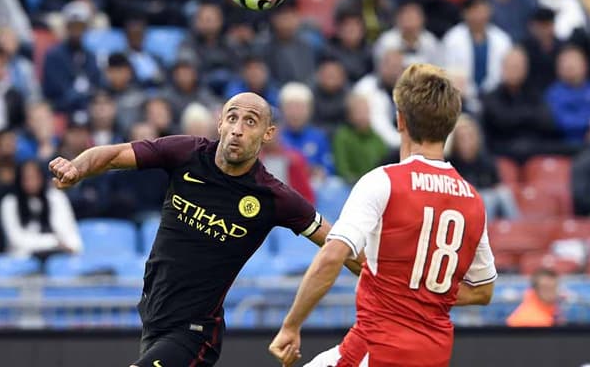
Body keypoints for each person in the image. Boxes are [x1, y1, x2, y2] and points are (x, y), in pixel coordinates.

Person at [48, 92, 363, 367]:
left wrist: (388, 284)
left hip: (195, 332)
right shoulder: (187, 153)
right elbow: (115, 154)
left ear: (268, 134)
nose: (238, 130)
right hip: (154, 316)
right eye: (232, 118)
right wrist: (78, 168)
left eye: (250, 122)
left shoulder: (273, 196)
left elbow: (337, 244)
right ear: (220, 124)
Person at [269, 63, 497, 367]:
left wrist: (291, 326)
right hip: (434, 355)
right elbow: (483, 291)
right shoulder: (473, 200)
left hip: (377, 349)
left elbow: (332, 256)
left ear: (400, 120)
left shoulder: (384, 181)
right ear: (450, 125)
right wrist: (423, 294)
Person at [0, 160, 82, 257]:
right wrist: (53, 242)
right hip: (24, 257)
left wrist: (73, 247)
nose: (31, 182)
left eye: (35, 177)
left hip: (58, 253)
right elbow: (16, 239)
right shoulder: (9, 203)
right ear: (19, 179)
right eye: (26, 178)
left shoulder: (55, 197)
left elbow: (69, 230)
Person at [448, 114, 519, 220]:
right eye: (462, 138)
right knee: (485, 198)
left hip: (486, 198)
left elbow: (496, 184)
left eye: (470, 137)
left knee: (504, 193)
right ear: (455, 142)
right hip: (463, 204)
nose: (467, 143)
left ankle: (517, 228)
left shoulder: (487, 161)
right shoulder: (450, 163)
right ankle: (483, 229)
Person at [442, 0, 512, 94]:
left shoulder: (502, 39)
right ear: (465, 13)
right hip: (460, 95)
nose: (480, 15)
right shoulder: (452, 39)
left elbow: (505, 73)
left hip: (496, 97)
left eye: (483, 11)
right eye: (475, 11)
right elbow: (448, 71)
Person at [42, 0, 103, 113]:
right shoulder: (53, 56)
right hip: (60, 110)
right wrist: (79, 94)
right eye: (73, 27)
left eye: (80, 27)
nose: (77, 32)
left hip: (88, 110)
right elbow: (54, 91)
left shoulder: (90, 56)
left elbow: (97, 84)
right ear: (66, 27)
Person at [279, 82, 336, 179]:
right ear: (282, 109)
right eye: (291, 107)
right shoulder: (275, 137)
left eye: (300, 107)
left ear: (309, 110)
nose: (295, 113)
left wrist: (321, 172)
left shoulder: (318, 137)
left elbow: (328, 166)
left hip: (313, 185)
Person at [333, 92, 388, 185]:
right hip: (351, 185)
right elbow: (342, 169)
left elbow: (385, 165)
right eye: (358, 112)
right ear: (349, 115)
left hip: (377, 184)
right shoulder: (343, 137)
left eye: (365, 111)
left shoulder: (377, 138)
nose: (363, 116)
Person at [545, 45, 590, 147]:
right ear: (558, 68)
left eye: (574, 61)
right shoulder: (552, 94)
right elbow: (560, 121)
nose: (570, 66)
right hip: (564, 148)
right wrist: (587, 125)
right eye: (565, 62)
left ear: (585, 65)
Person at [374, 0, 442, 67]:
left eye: (413, 17)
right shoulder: (387, 41)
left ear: (422, 19)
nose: (410, 21)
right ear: (398, 19)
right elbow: (380, 69)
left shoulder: (430, 41)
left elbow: (438, 69)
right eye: (406, 16)